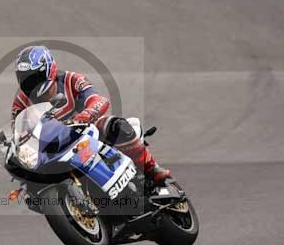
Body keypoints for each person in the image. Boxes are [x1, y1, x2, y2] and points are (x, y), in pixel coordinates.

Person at [11, 45, 171, 187]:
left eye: (35, 77)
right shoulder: (21, 102)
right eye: (26, 79)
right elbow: (19, 131)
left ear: (49, 70)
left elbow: (98, 100)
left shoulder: (71, 80)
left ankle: (151, 169)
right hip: (54, 148)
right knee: (28, 174)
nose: (32, 83)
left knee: (115, 124)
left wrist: (86, 114)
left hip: (87, 132)